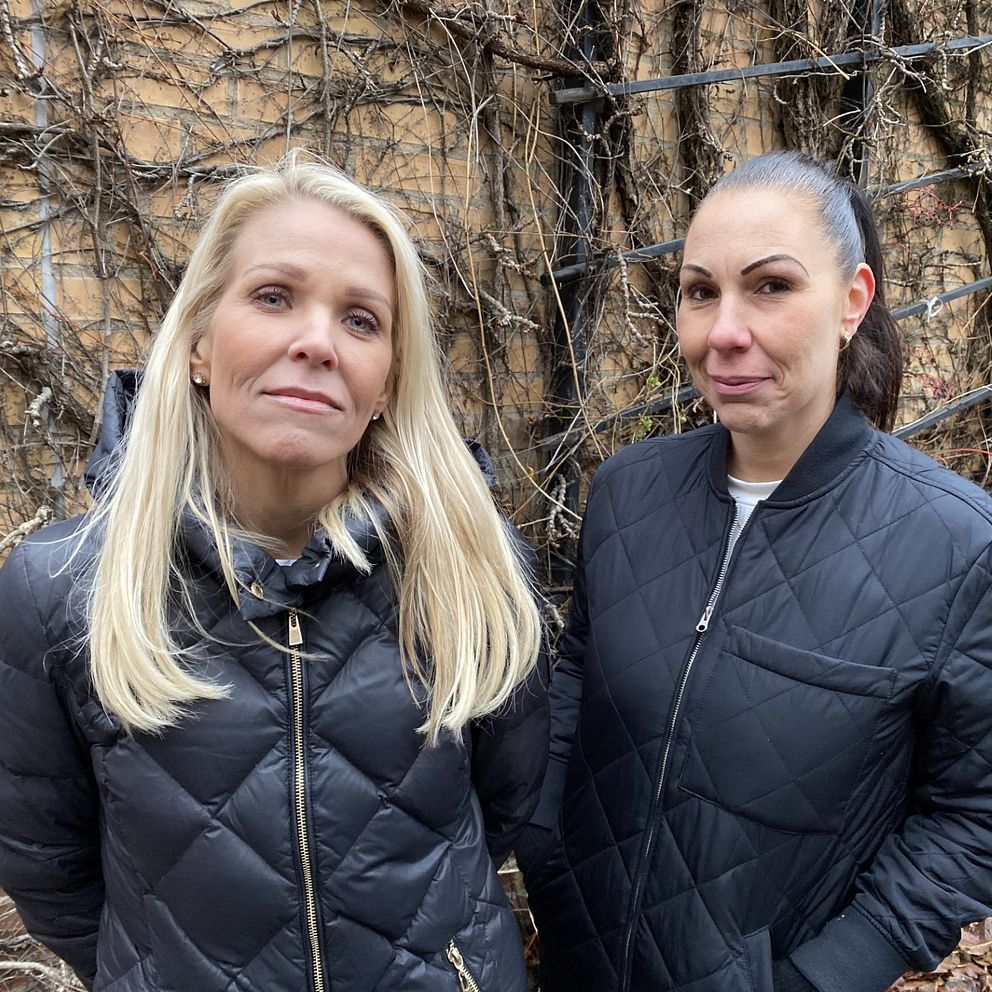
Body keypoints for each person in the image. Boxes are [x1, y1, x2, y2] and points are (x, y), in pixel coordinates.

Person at [0, 156, 547, 992]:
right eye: (273, 296)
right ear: (198, 344)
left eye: (361, 319)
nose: (317, 343)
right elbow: (47, 863)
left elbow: (504, 800)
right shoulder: (61, 588)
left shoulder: (473, 566)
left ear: (387, 383)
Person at [518, 150, 992, 992]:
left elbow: (973, 812)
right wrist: (544, 846)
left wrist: (828, 975)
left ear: (852, 302)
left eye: (771, 286)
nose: (724, 332)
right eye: (700, 292)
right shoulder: (629, 490)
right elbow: (578, 680)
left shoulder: (957, 545)